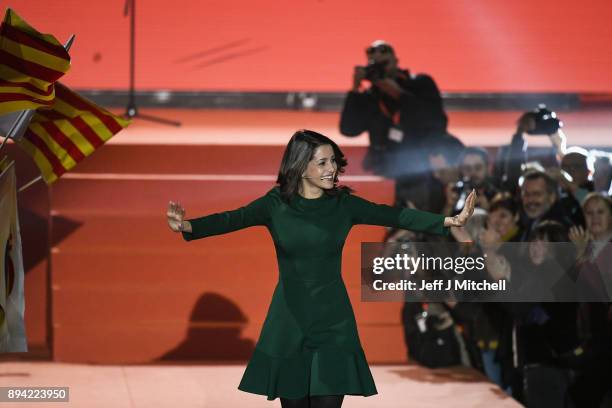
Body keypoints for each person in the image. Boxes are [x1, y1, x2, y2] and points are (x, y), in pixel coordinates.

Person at [166, 130, 476, 408]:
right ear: (301, 166)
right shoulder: (276, 204)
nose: (332, 169)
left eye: (333, 161)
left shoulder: (342, 204)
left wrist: (447, 222)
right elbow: (233, 218)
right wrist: (187, 225)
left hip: (333, 323)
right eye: (323, 162)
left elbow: (393, 216)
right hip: (289, 323)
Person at [339, 40, 449, 181]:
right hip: (384, 169)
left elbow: (437, 121)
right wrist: (355, 90)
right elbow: (348, 129)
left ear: (396, 61)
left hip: (419, 166)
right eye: (375, 66)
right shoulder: (371, 96)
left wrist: (399, 94)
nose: (381, 71)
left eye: (384, 65)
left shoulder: (420, 84)